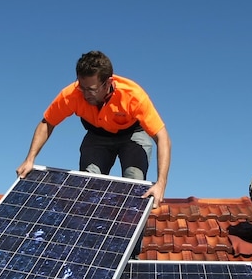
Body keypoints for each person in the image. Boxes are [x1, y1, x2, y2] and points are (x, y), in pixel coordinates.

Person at [16, 51, 171, 208]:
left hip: (132, 135)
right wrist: (29, 160)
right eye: (82, 87)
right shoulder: (72, 94)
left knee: (134, 183)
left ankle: (133, 228)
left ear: (108, 82)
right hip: (97, 136)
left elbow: (162, 137)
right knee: (88, 184)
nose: (85, 94)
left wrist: (161, 183)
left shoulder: (133, 96)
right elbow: (47, 123)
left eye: (91, 89)